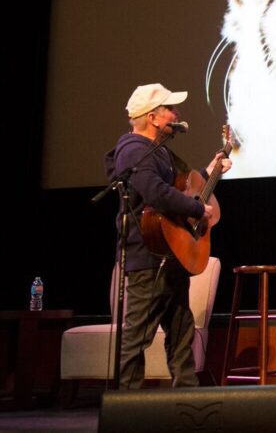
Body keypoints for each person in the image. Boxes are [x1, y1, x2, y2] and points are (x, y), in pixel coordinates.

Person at [104, 83, 231, 389]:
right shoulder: (134, 150)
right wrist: (198, 210)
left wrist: (210, 170)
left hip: (168, 253)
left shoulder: (159, 152)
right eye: (171, 109)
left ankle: (186, 397)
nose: (177, 114)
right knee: (137, 335)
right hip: (147, 255)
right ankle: (126, 405)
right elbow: (156, 193)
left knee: (181, 327)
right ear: (154, 118)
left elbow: (178, 189)